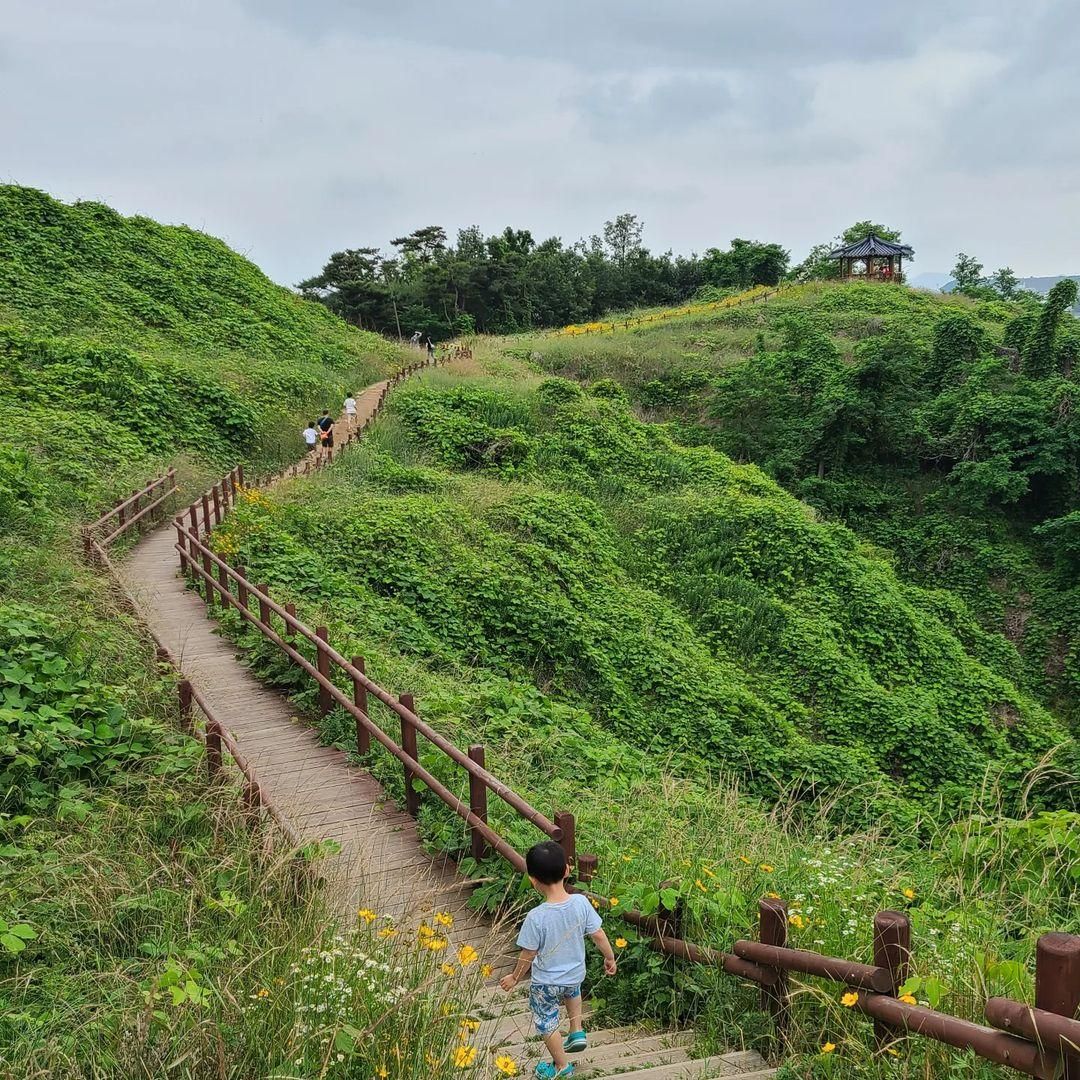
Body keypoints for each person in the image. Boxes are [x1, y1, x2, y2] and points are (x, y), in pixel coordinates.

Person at [500, 841, 617, 1078]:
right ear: (567, 870)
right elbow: (598, 934)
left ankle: (561, 1067)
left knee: (546, 1022)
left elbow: (529, 953)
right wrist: (610, 957)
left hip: (546, 982)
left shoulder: (536, 917)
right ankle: (577, 1030)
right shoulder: (581, 903)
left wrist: (514, 977)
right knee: (572, 992)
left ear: (532, 880)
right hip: (574, 974)